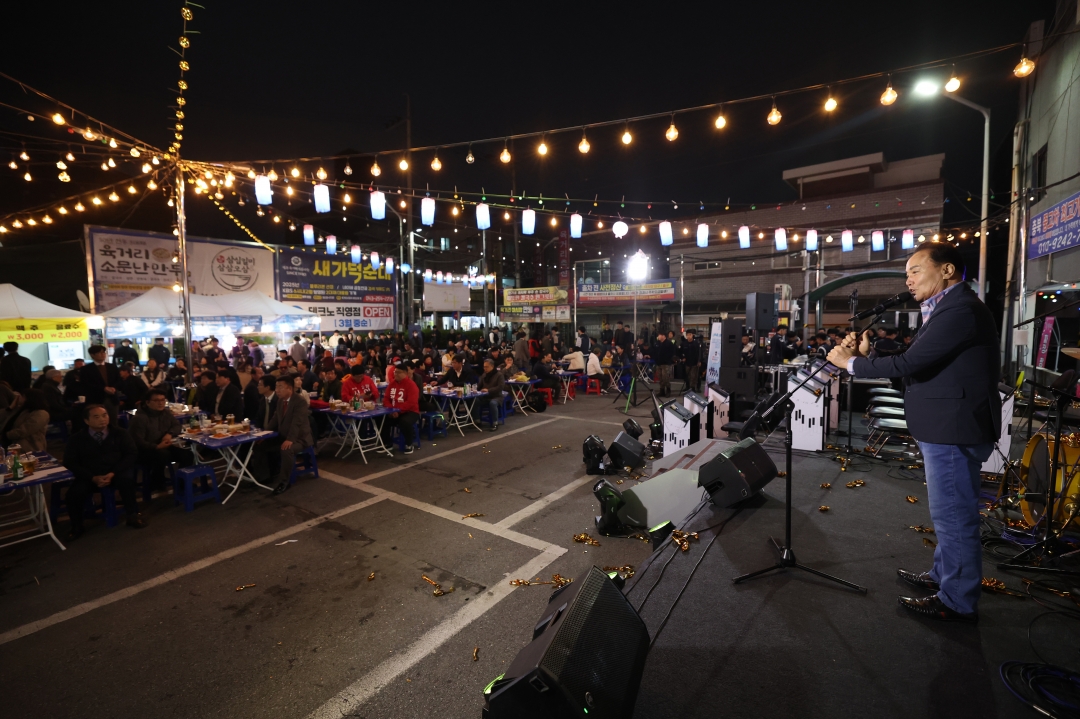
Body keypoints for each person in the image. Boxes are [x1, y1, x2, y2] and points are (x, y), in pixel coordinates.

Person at [827, 244, 999, 624]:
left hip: (953, 428)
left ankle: (957, 599)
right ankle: (943, 577)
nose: (908, 279)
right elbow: (914, 370)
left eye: (916, 270)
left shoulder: (960, 310)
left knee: (954, 517)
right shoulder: (945, 310)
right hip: (944, 425)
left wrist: (852, 363)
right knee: (949, 514)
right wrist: (871, 359)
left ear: (948, 270)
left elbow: (910, 363)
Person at [62, 404, 145, 539]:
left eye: (104, 415)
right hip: (90, 475)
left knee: (127, 482)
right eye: (96, 417)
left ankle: (132, 515)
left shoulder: (120, 433)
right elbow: (70, 462)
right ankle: (76, 525)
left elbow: (131, 454)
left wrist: (113, 473)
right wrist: (92, 477)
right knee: (73, 494)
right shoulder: (76, 439)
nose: (102, 419)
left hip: (116, 472)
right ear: (86, 421)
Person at [251, 376, 313, 494]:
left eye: (280, 387)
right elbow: (274, 420)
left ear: (289, 388)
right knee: (259, 445)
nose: (277, 390)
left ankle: (284, 482)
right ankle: (264, 477)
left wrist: (290, 439)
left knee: (286, 449)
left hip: (300, 439)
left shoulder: (299, 401)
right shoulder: (280, 401)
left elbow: (297, 423)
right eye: (276, 387)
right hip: (283, 436)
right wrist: (264, 435)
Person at [129, 388, 190, 490]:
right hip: (143, 451)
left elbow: (176, 426)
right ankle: (156, 481)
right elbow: (137, 441)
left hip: (163, 446)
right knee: (163, 454)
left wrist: (170, 434)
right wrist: (156, 446)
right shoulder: (139, 418)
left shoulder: (165, 413)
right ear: (147, 402)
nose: (161, 403)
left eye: (163, 400)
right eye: (156, 400)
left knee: (187, 455)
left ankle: (182, 483)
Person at [383, 362, 421, 452]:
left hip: (410, 411)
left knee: (404, 422)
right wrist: (391, 410)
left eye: (399, 372)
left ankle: (409, 444)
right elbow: (386, 399)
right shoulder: (392, 383)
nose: (396, 374)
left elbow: (411, 402)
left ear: (405, 373)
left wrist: (398, 411)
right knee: (381, 419)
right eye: (395, 372)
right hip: (393, 411)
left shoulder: (411, 385)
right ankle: (387, 443)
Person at [477, 357, 506, 431]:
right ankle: (477, 420)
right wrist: (474, 389)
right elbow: (479, 385)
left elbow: (500, 387)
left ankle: (495, 423)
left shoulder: (499, 375)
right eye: (484, 367)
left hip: (497, 396)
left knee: (493, 403)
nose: (485, 369)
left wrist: (488, 390)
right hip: (485, 396)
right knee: (475, 400)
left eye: (487, 367)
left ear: (492, 366)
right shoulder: (484, 375)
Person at [681, 329, 702, 394]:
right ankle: (687, 387)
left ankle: (693, 388)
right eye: (687, 335)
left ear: (692, 335)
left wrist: (699, 361)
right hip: (687, 362)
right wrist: (683, 357)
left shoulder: (696, 343)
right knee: (687, 376)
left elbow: (700, 353)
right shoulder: (684, 343)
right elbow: (680, 352)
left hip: (694, 362)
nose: (689, 336)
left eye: (690, 335)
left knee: (694, 376)